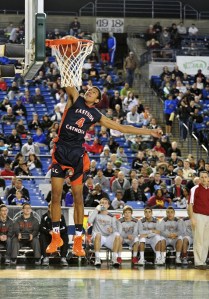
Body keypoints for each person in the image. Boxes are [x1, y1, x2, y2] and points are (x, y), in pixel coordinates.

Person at [46, 68, 162, 257]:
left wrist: (149, 132)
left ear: (97, 100)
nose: (89, 90)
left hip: (76, 155)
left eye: (94, 92)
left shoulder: (96, 114)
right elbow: (67, 83)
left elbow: (122, 127)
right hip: (60, 152)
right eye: (89, 89)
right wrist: (66, 57)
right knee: (56, 197)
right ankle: (56, 236)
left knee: (78, 199)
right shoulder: (75, 98)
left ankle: (77, 240)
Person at [88, 198, 121, 266]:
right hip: (98, 238)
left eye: (105, 203)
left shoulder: (111, 216)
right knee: (98, 234)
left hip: (108, 237)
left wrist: (112, 230)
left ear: (108, 206)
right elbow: (89, 221)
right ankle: (97, 258)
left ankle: (114, 258)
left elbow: (115, 229)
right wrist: (96, 210)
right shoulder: (95, 213)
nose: (103, 204)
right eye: (101, 203)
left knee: (117, 235)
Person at [188, 171, 209, 270]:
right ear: (199, 179)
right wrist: (192, 218)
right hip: (198, 216)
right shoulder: (194, 189)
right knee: (198, 240)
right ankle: (198, 261)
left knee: (206, 241)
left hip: (208, 217)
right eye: (202, 177)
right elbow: (190, 205)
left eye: (206, 177)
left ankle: (203, 261)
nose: (204, 179)